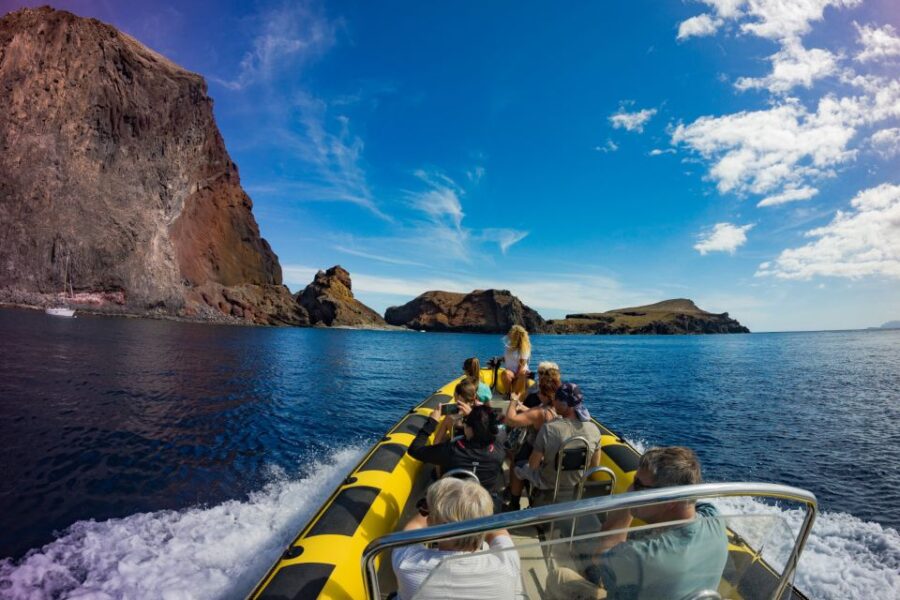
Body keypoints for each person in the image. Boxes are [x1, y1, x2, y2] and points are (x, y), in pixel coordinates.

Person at [550, 447, 729, 600]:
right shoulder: (715, 520)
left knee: (558, 577)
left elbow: (602, 553)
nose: (631, 488)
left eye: (638, 485)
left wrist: (628, 501)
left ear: (671, 500)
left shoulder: (642, 557)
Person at [391, 477, 524, 600]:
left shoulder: (407, 563)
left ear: (432, 520)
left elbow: (415, 526)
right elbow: (497, 527)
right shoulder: (507, 562)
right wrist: (477, 512)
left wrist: (428, 510)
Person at [510, 382, 601, 508]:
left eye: (557, 398)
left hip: (548, 483)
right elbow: (594, 465)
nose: (554, 401)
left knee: (519, 466)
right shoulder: (594, 430)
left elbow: (533, 465)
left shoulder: (549, 429)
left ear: (565, 404)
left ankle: (513, 505)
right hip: (574, 484)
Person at [407, 401, 506, 494]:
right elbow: (496, 429)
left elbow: (414, 449)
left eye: (465, 422)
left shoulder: (451, 450)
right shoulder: (499, 448)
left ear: (470, 429)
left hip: (453, 499)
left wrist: (431, 422)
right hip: (481, 501)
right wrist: (478, 416)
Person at [503, 362, 562, 507]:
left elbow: (510, 420)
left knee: (517, 463)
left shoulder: (541, 412)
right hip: (556, 455)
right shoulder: (562, 408)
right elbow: (533, 410)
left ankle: (514, 502)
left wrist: (513, 401)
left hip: (538, 453)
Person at [501, 325, 531, 397]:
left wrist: (516, 378)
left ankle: (514, 394)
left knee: (520, 374)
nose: (509, 333)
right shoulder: (508, 347)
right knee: (505, 373)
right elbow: (507, 358)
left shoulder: (524, 348)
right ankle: (508, 394)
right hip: (511, 371)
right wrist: (498, 359)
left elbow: (522, 365)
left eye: (511, 331)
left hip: (520, 372)